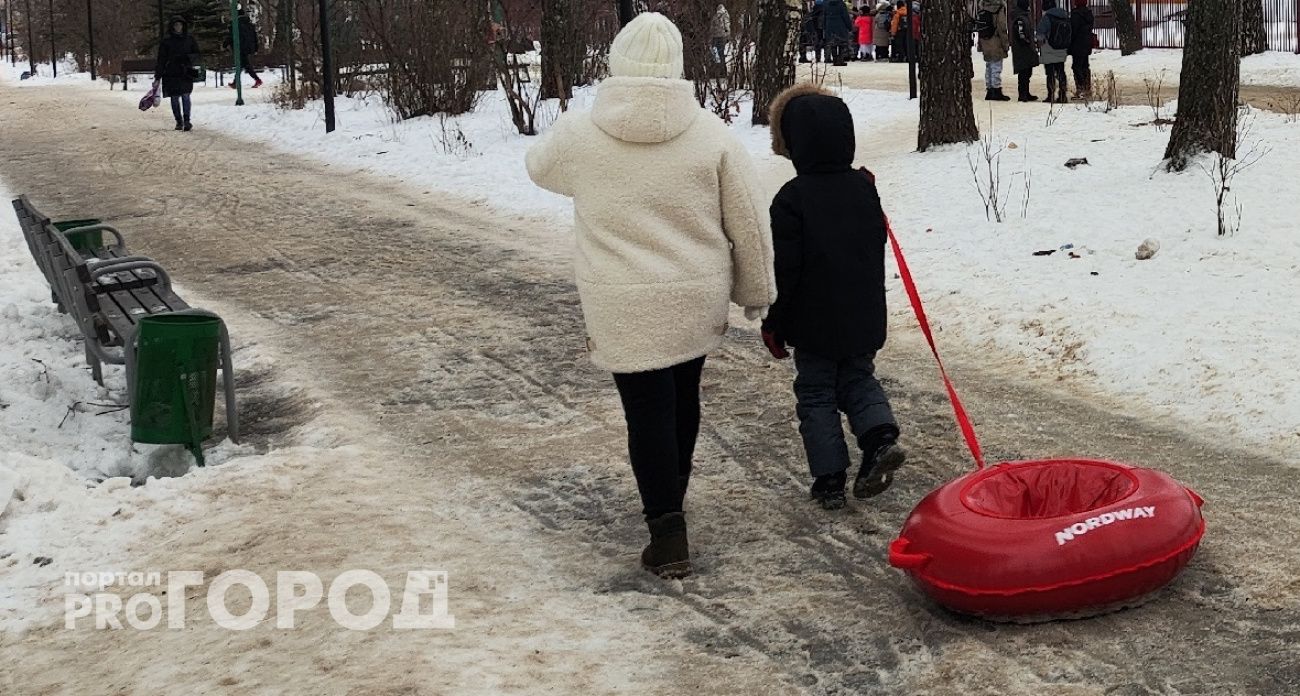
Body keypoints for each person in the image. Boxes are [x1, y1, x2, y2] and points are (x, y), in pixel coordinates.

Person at [525, 13, 776, 579]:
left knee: (645, 410)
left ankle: (667, 528)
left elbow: (539, 169)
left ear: (615, 62)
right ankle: (673, 503)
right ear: (678, 66)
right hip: (695, 297)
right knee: (683, 397)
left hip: (620, 302)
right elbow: (749, 224)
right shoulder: (713, 137)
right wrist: (757, 292)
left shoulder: (579, 135)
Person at [762, 84, 907, 511]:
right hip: (863, 314)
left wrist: (776, 323)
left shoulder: (791, 199)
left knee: (817, 393)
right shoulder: (863, 188)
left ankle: (829, 479)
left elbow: (786, 271)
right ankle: (880, 436)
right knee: (859, 377)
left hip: (814, 322)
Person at [155, 16, 199, 131]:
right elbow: (161, 59)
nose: (178, 27)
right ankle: (179, 121)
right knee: (174, 97)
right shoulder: (167, 41)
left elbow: (197, 54)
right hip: (171, 72)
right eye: (176, 25)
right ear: (172, 27)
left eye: (180, 25)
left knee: (186, 95)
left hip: (186, 72)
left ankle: (187, 120)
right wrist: (158, 76)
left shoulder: (189, 39)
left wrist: (187, 59)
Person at [1036, 0, 1071, 103]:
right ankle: (1062, 94)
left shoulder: (1046, 18)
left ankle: (1050, 94)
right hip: (1062, 48)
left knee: (1050, 73)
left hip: (1049, 49)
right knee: (1061, 71)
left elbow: (1040, 34)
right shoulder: (1065, 16)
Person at [977, 0, 1011, 101]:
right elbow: (1002, 27)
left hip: (985, 40)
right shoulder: (999, 8)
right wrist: (1005, 43)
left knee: (989, 66)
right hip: (996, 40)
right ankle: (996, 90)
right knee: (996, 66)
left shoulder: (983, 7)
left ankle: (989, 89)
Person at [223, 7, 262, 89]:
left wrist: (225, 45)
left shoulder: (235, 24)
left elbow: (231, 36)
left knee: (245, 65)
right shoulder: (249, 24)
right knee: (241, 65)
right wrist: (255, 48)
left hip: (239, 47)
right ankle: (235, 82)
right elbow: (254, 37)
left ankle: (257, 79)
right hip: (248, 47)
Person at [1009, 0, 1039, 102]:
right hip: (1022, 50)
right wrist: (1026, 42)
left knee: (1027, 72)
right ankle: (1022, 94)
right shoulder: (1020, 18)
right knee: (1023, 73)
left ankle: (1026, 92)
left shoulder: (1024, 16)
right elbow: (1020, 33)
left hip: (1026, 49)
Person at [1069, 0, 1095, 98]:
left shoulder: (1076, 15)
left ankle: (1080, 89)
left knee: (1076, 66)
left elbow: (1073, 30)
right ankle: (1087, 88)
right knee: (1085, 65)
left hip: (1077, 44)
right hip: (1087, 43)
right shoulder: (1089, 14)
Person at [823, 0, 854, 66]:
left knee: (832, 44)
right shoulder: (841, 4)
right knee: (841, 44)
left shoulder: (826, 4)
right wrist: (849, 27)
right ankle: (840, 60)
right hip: (840, 25)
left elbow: (824, 16)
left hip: (829, 25)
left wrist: (824, 26)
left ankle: (835, 60)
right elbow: (845, 16)